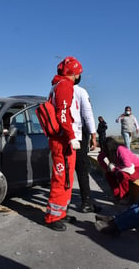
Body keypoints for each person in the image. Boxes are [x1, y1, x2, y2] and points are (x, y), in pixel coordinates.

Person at [44, 56, 82, 231]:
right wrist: (72, 136)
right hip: (63, 141)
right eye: (78, 74)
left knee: (66, 178)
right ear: (72, 73)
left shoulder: (56, 85)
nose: (78, 77)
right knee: (61, 178)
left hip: (60, 140)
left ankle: (61, 212)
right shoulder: (65, 85)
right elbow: (63, 115)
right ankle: (53, 216)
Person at [73, 84, 100, 213]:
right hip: (79, 134)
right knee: (82, 168)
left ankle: (62, 205)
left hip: (63, 135)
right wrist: (93, 135)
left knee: (66, 171)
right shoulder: (80, 91)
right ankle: (86, 202)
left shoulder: (54, 89)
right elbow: (87, 114)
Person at [97, 137, 139, 203]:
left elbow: (127, 164)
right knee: (109, 174)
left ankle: (125, 197)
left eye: (105, 148)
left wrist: (114, 169)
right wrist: (107, 168)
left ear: (109, 147)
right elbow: (100, 158)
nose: (104, 150)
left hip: (138, 168)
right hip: (123, 168)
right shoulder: (108, 151)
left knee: (122, 175)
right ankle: (116, 194)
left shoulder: (120, 149)